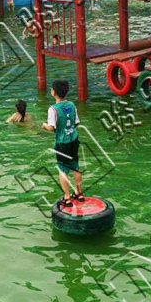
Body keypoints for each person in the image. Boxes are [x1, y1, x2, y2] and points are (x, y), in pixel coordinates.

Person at [42, 79, 83, 207]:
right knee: (75, 166)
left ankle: (67, 197)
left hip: (62, 143)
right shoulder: (71, 104)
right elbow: (77, 122)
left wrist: (43, 125)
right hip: (74, 139)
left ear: (53, 92)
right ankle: (79, 193)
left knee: (62, 169)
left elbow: (51, 128)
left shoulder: (53, 109)